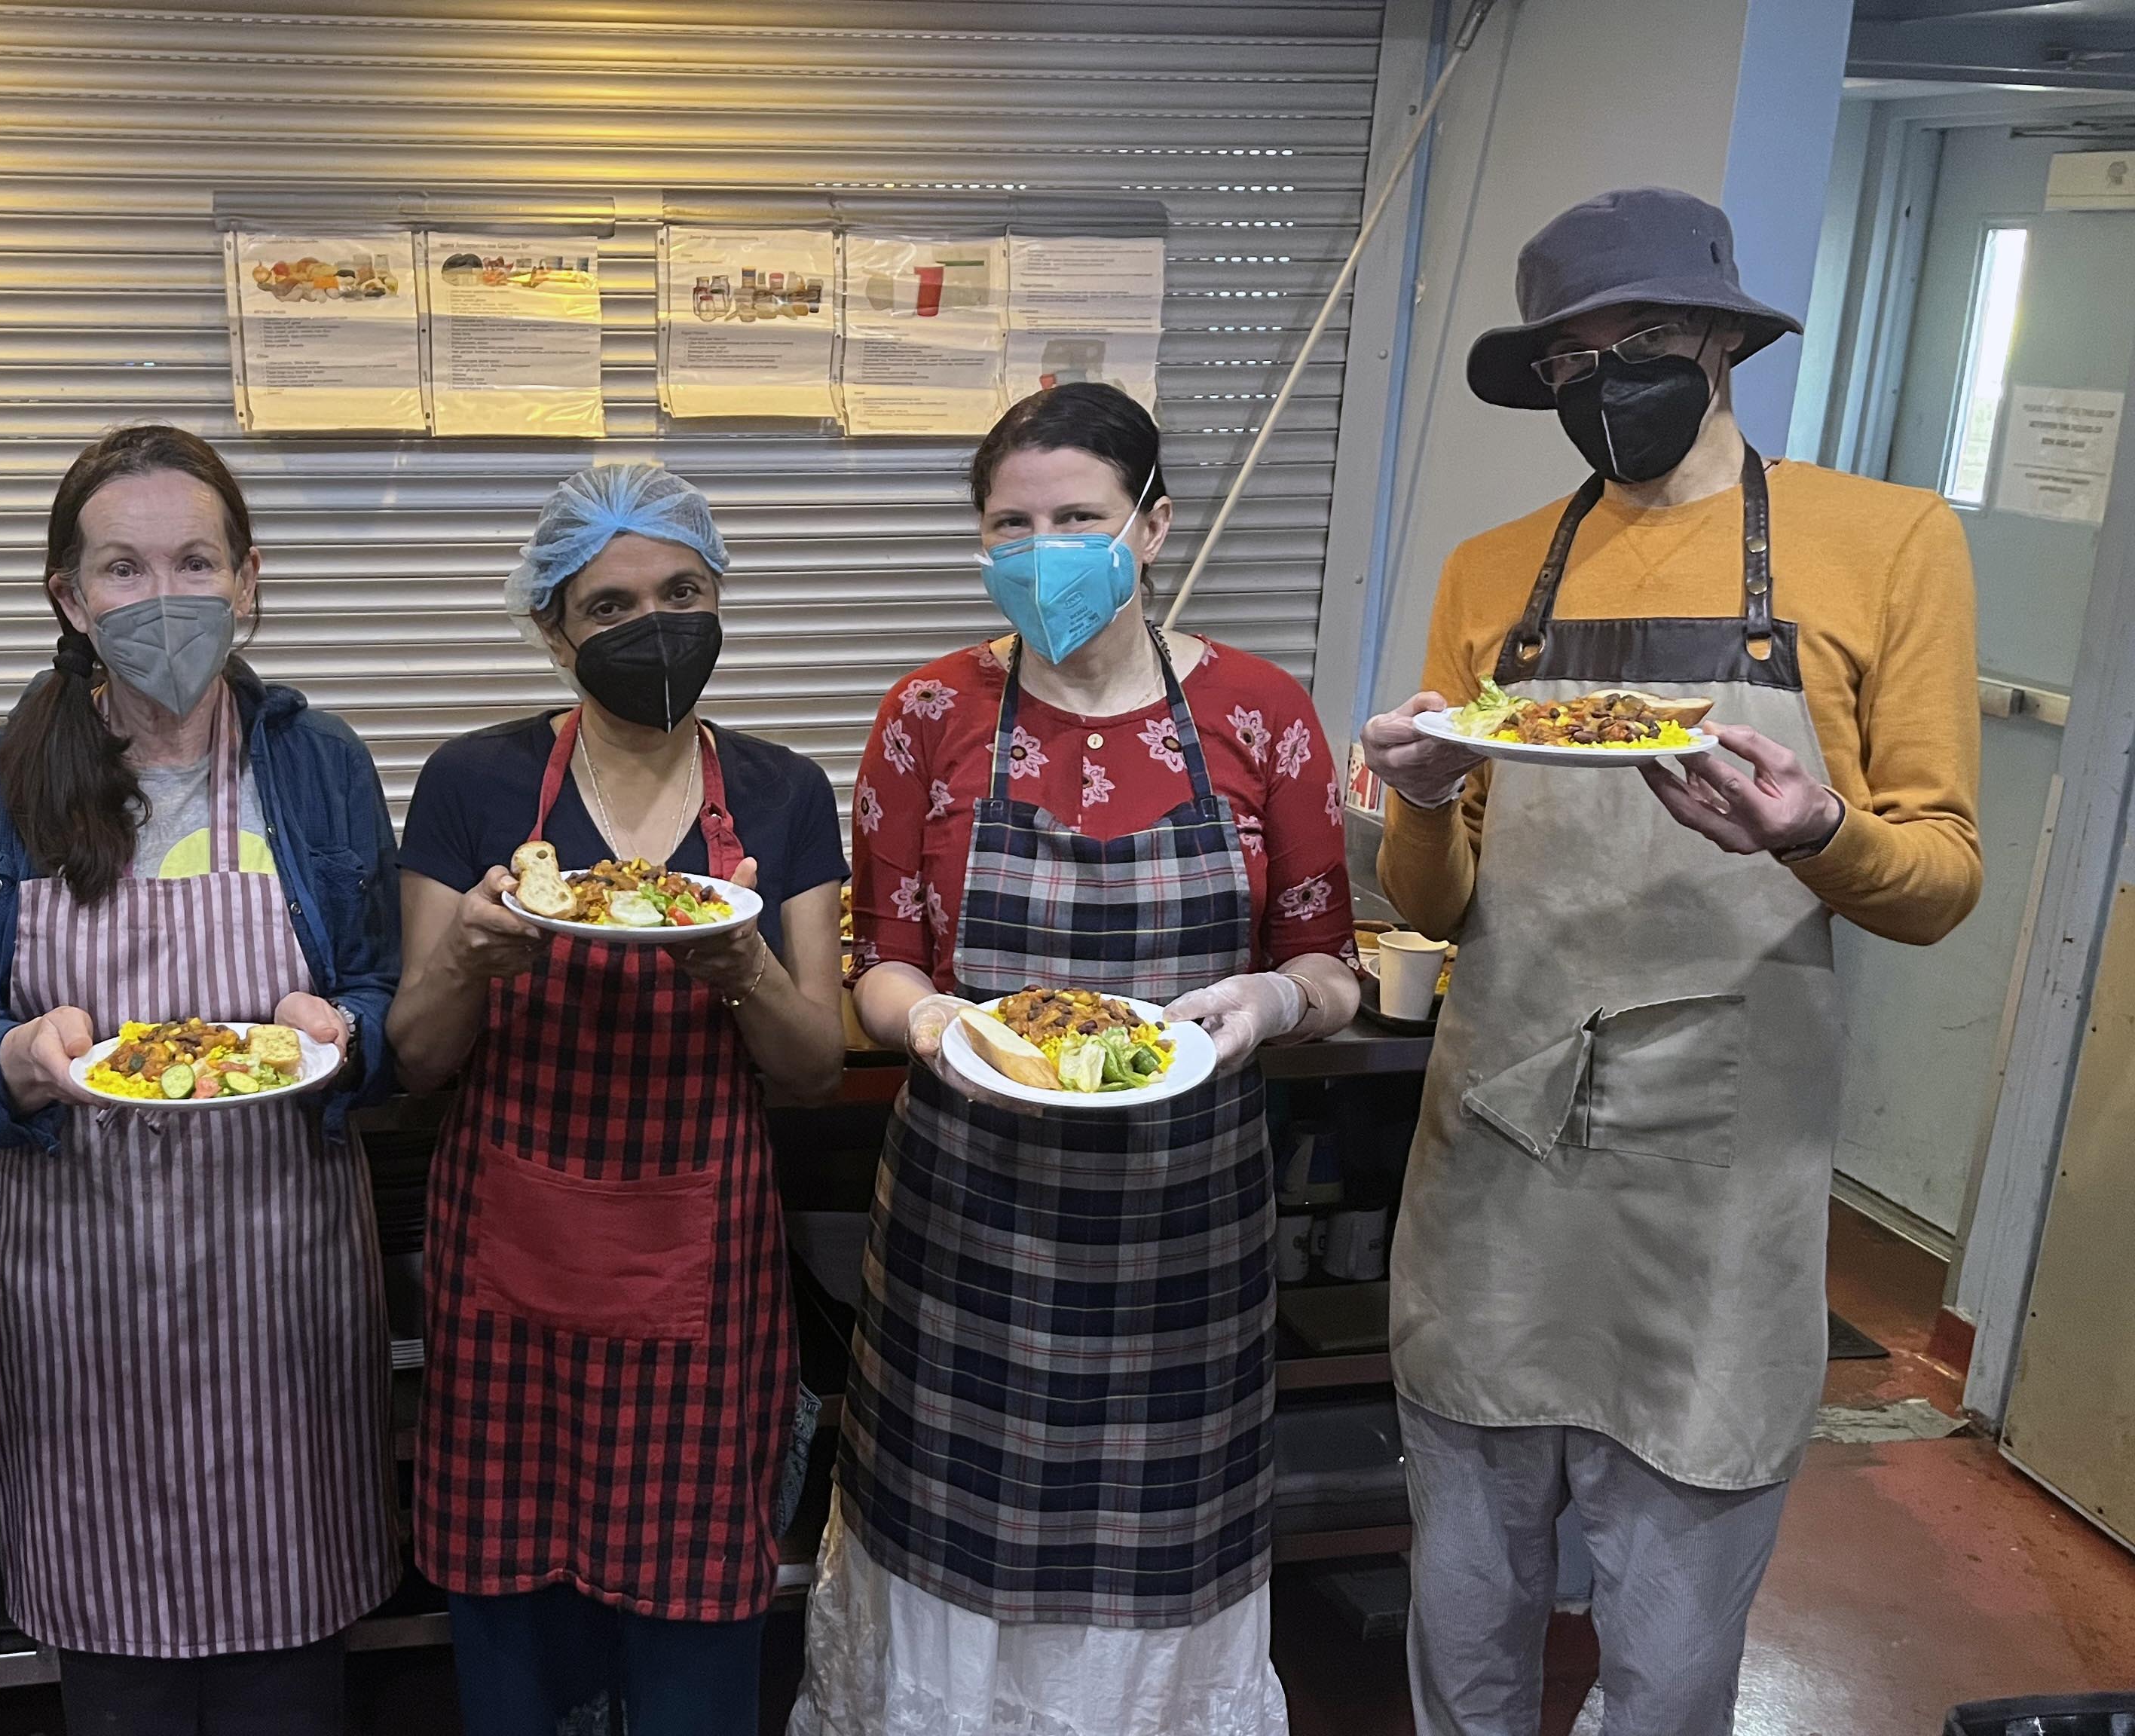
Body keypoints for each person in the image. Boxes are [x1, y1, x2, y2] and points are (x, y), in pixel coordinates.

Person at [1358, 188, 1982, 1734]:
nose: (1604, 380)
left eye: (1638, 340)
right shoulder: (1493, 571)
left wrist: (1816, 829)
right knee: (1467, 1613)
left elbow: (1940, 883)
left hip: (1716, 1192)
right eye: (1569, 359)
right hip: (1498, 1160)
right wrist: (1414, 808)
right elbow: (1438, 902)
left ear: (1719, 337)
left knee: (1672, 1649)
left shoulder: (1886, 542)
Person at [797, 382, 1360, 1736]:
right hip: (967, 1225)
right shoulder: (927, 714)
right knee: (951, 1558)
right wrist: (929, 1022)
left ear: (1152, 527)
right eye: (1012, 522)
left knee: (1155, 1564)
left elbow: (1330, 964)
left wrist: (1271, 1012)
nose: (1041, 548)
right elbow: (881, 962)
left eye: (1079, 518)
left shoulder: (1261, 712)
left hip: (1184, 1228)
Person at [0, 425, 400, 1733]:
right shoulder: (2, 779)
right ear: (71, 601)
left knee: (290, 1670)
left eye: (197, 561)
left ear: (249, 579)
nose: (166, 596)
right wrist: (16, 1058)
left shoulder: (318, 764)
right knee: (122, 1680)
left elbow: (384, 1001)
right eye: (125, 570)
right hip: (91, 1293)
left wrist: (340, 1027)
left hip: (282, 1288)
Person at [387, 463, 849, 1734]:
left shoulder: (781, 794)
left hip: (702, 1279)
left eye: (681, 592)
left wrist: (742, 965)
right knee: (515, 1640)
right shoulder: (475, 785)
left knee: (696, 1629)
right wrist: (477, 956)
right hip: (509, 1276)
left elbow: (815, 1069)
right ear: (553, 629)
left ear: (718, 601)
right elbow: (419, 1052)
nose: (654, 627)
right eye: (610, 607)